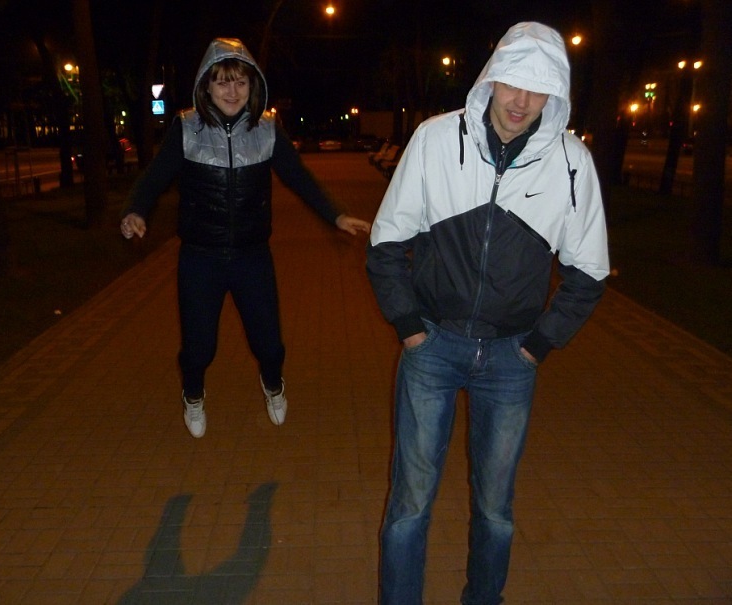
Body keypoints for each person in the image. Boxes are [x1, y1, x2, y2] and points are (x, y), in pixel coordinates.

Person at [366, 22, 610, 605]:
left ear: (555, 94)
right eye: (512, 83)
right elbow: (386, 242)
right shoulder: (434, 139)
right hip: (433, 347)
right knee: (410, 504)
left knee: (496, 508)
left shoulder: (572, 163)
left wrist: (538, 345)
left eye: (538, 88)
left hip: (510, 358)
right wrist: (409, 327)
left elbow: (590, 271)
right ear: (491, 79)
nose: (521, 101)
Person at [121, 38, 370, 439]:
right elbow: (154, 179)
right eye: (222, 82)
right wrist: (135, 210)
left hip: (251, 256)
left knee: (269, 343)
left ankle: (273, 384)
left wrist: (335, 215)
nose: (232, 91)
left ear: (252, 86)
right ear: (206, 86)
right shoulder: (187, 128)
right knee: (199, 347)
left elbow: (298, 177)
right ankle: (193, 393)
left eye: (240, 82)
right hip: (200, 257)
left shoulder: (266, 129)